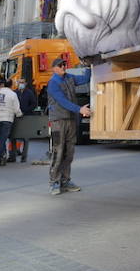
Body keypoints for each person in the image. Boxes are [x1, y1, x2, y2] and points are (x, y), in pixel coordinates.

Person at [46, 57, 91, 195]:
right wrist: (80, 110)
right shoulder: (53, 83)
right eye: (60, 65)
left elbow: (84, 79)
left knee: (69, 152)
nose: (63, 67)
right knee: (58, 152)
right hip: (58, 121)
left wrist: (88, 66)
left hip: (70, 120)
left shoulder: (69, 77)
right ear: (54, 68)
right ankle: (54, 182)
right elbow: (62, 101)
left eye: (64, 65)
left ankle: (65, 181)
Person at [0, 78, 21, 166]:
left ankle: (2, 157)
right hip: (7, 119)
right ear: (11, 85)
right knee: (3, 139)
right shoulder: (13, 94)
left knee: (1, 139)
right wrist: (20, 114)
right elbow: (16, 108)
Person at [11, 80, 38, 162]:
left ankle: (24, 156)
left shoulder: (29, 93)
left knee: (25, 137)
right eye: (19, 82)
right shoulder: (15, 92)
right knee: (13, 136)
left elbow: (34, 104)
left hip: (26, 117)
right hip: (16, 116)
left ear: (25, 84)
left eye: (22, 82)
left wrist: (26, 111)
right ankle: (13, 156)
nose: (20, 84)